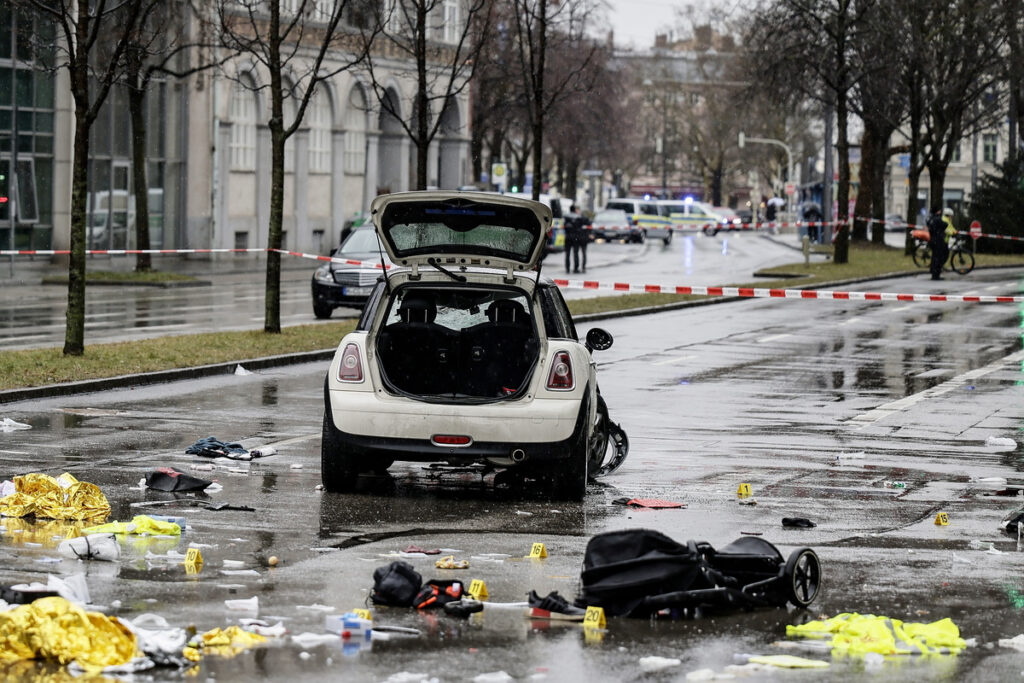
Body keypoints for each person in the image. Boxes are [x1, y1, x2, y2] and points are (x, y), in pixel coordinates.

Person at [926, 206, 948, 280]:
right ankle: (936, 274)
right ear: (937, 211)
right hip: (938, 240)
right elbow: (945, 224)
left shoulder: (930, 218)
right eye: (939, 210)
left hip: (932, 239)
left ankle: (933, 272)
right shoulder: (937, 219)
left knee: (934, 257)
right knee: (938, 257)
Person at [563, 204, 587, 273]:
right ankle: (576, 268)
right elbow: (581, 226)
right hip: (575, 237)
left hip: (567, 237)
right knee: (575, 253)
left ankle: (567, 268)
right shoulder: (578, 217)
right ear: (574, 210)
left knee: (567, 254)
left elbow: (565, 226)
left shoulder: (566, 216)